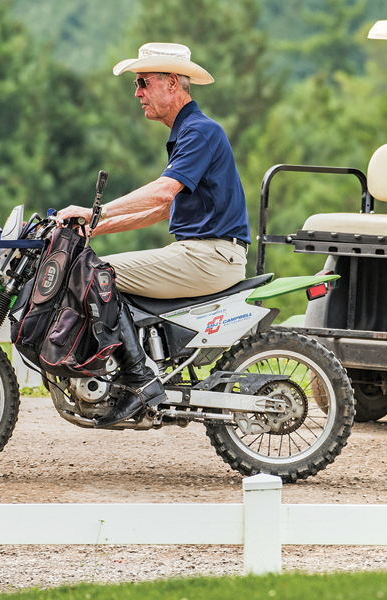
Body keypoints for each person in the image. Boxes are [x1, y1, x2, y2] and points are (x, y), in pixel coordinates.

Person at [57, 42, 250, 428]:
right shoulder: (188, 132)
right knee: (99, 273)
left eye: (143, 82)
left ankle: (140, 381)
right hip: (204, 253)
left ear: (173, 83)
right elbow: (164, 210)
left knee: (97, 274)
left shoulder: (200, 131)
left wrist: (95, 211)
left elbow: (163, 193)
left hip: (210, 256)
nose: (137, 92)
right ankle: (139, 369)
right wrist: (94, 228)